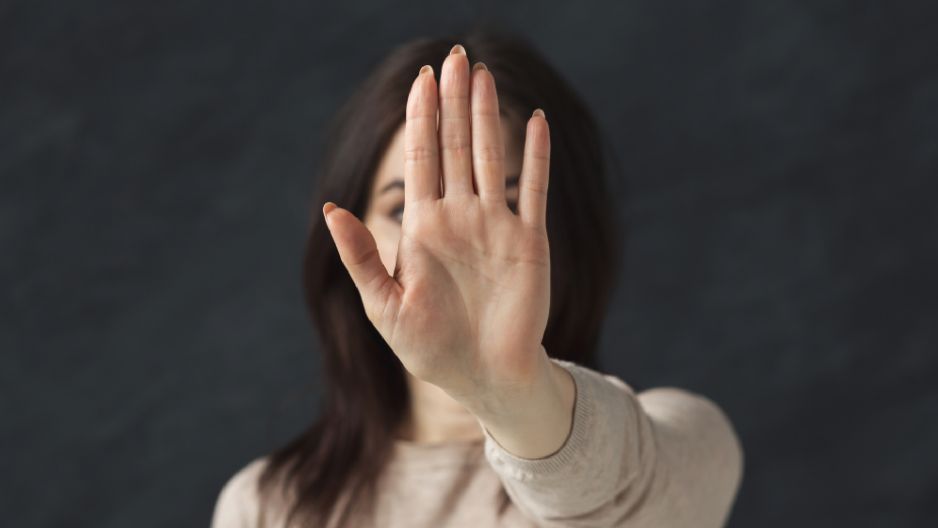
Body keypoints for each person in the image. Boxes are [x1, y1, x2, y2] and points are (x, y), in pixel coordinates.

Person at [211, 30, 743, 528]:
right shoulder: (267, 505)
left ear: (570, 234)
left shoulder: (683, 451)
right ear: (349, 237)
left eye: (503, 203)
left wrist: (508, 388)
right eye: (403, 208)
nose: (444, 244)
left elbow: (618, 496)